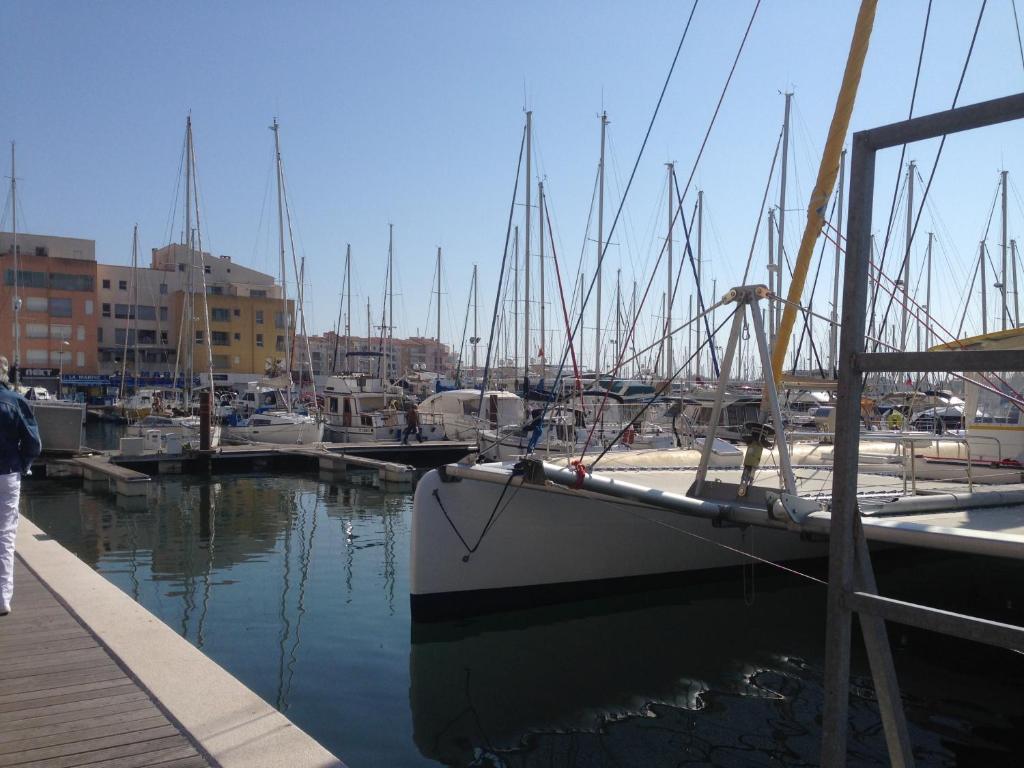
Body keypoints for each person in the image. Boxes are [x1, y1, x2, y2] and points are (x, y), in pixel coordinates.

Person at [0, 355, 42, 616]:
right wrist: (24, 463)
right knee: (5, 534)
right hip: (8, 472)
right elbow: (33, 443)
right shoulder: (16, 402)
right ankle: (3, 597)